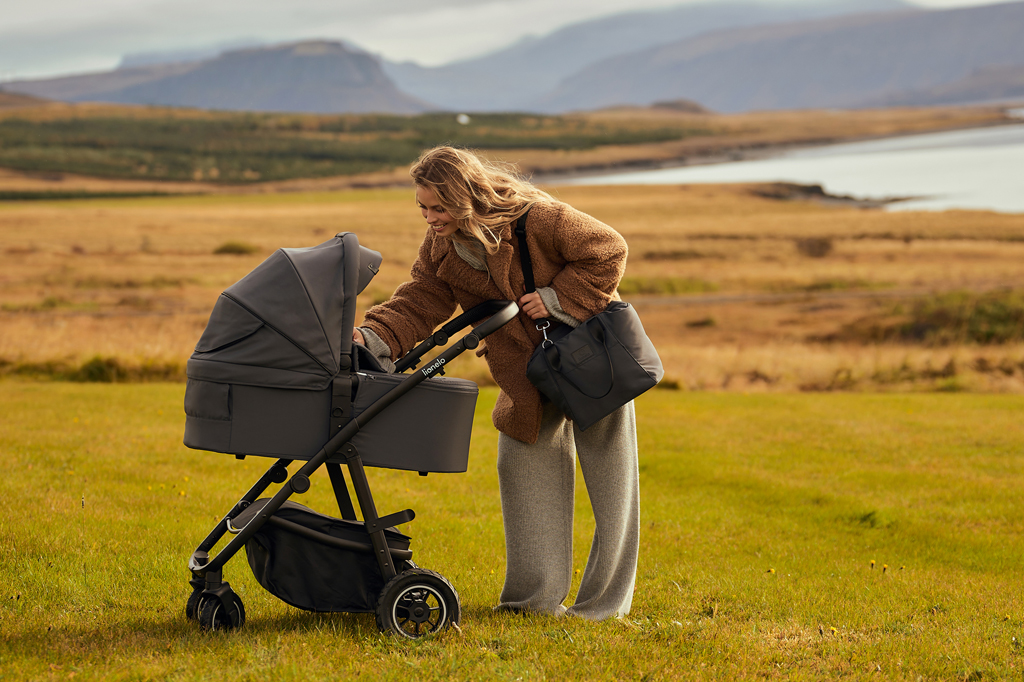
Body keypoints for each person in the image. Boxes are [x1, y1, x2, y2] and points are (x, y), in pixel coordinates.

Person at [354, 146, 639, 620]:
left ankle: (603, 606)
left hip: (592, 359)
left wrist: (555, 297)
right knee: (521, 468)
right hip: (526, 375)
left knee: (612, 484)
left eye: (438, 207)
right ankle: (532, 603)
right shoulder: (441, 245)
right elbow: (421, 298)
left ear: (466, 196)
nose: (429, 218)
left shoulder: (540, 217)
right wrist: (373, 339)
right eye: (422, 207)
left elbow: (609, 249)